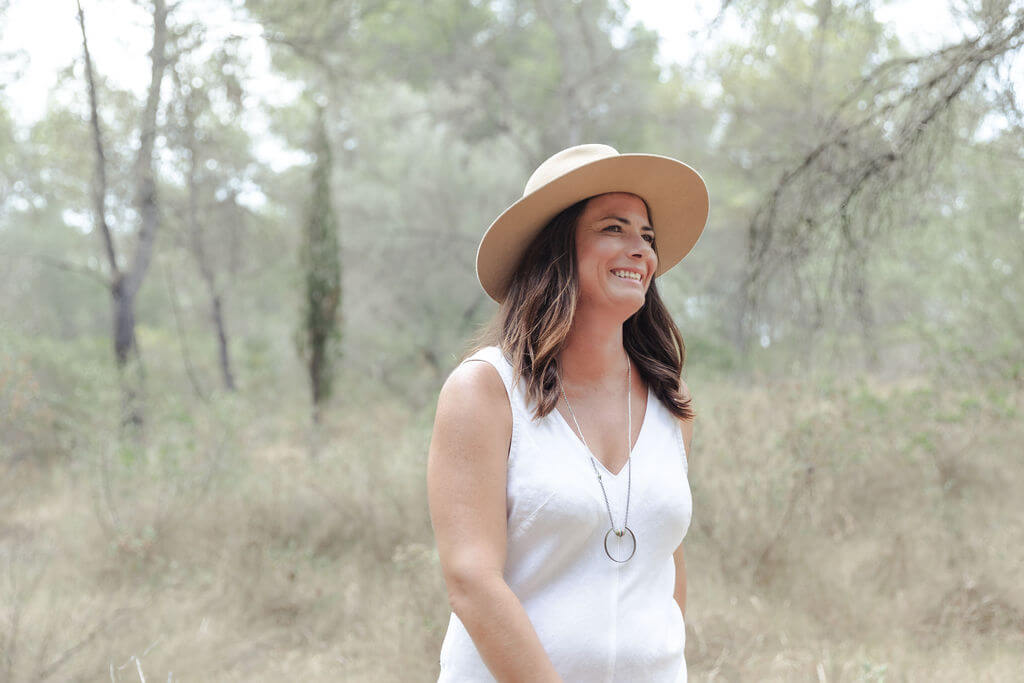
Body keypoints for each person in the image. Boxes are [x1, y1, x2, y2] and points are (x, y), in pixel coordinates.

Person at [427, 143, 709, 682]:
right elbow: (471, 580)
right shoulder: (485, 391)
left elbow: (664, 556)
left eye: (646, 237)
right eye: (613, 229)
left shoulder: (670, 403)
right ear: (556, 249)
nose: (640, 251)